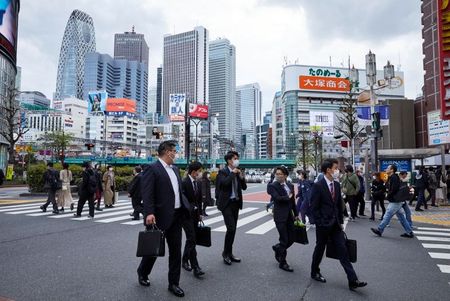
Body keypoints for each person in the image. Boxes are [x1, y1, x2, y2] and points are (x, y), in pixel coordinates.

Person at [137, 140, 191, 297]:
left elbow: (178, 192)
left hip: (176, 216)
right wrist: (149, 213)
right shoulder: (152, 169)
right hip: (158, 217)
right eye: (174, 150)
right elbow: (147, 193)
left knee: (175, 252)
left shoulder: (175, 169)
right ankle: (142, 271)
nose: (176, 153)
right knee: (153, 250)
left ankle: (173, 284)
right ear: (167, 151)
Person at [310, 159, 367, 291]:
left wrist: (340, 222)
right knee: (320, 249)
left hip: (335, 224)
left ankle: (352, 280)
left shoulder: (336, 184)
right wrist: (320, 222)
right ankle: (314, 271)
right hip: (323, 225)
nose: (338, 171)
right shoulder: (318, 186)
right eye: (336, 168)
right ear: (328, 170)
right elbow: (314, 207)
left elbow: (338, 205)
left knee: (343, 250)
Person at [216, 150, 247, 265]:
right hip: (226, 204)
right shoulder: (223, 172)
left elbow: (244, 188)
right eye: (234, 158)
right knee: (231, 228)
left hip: (236, 203)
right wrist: (233, 173)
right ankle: (225, 253)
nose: (237, 160)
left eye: (237, 158)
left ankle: (230, 253)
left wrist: (241, 177)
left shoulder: (237, 172)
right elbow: (224, 184)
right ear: (229, 161)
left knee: (233, 230)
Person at [268, 165, 298, 272]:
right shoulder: (273, 185)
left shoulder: (290, 185)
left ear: (285, 175)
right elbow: (276, 198)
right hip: (280, 216)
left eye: (280, 174)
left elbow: (293, 201)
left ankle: (278, 248)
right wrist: (287, 197)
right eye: (277, 174)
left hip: (290, 216)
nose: (278, 176)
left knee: (292, 238)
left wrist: (296, 214)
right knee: (284, 239)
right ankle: (283, 262)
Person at [370, 164, 414, 238]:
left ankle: (380, 230)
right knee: (401, 217)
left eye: (388, 168)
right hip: (396, 200)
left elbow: (394, 189)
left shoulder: (394, 177)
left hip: (395, 201)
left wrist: (388, 195)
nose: (386, 169)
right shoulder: (391, 177)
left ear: (392, 170)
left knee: (387, 214)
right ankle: (409, 232)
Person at [181, 161, 205, 278]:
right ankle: (196, 267)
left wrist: (200, 213)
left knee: (191, 240)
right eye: (199, 171)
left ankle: (185, 260)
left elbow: (199, 200)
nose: (201, 173)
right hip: (186, 216)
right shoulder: (184, 183)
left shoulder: (198, 183)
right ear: (194, 172)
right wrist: (192, 207)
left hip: (195, 216)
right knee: (192, 239)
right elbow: (183, 200)